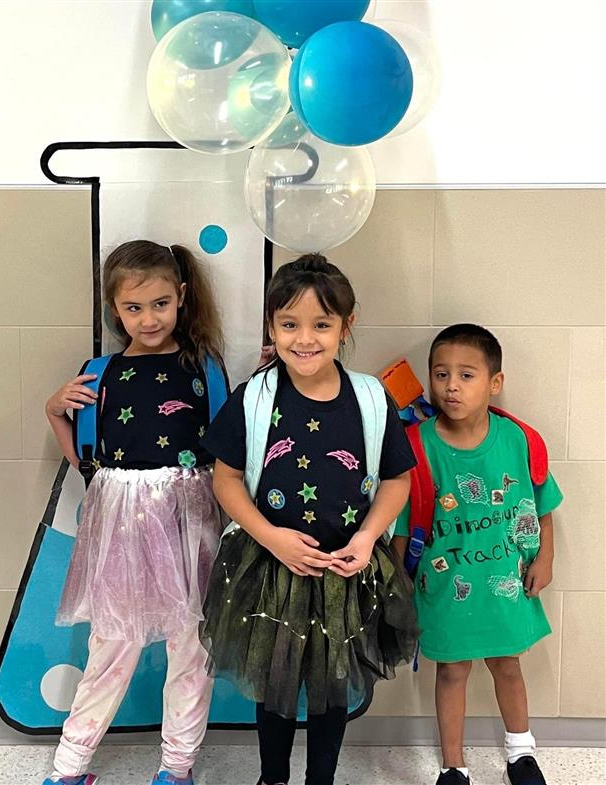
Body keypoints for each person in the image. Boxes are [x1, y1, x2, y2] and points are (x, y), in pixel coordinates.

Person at [200, 254, 418, 785]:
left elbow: (396, 480)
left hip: (346, 567)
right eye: (290, 324)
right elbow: (225, 478)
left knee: (332, 686)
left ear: (347, 326)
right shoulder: (253, 398)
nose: (305, 338)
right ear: (272, 326)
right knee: (274, 684)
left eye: (322, 324)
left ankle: (321, 777)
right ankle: (271, 777)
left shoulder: (370, 397)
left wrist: (368, 538)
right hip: (271, 566)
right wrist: (272, 538)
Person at [42, 240, 228, 785]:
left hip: (188, 519)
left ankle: (177, 766)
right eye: (133, 307)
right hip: (118, 522)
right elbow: (84, 460)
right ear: (114, 308)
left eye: (161, 304)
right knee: (111, 642)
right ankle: (70, 766)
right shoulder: (98, 373)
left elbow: (227, 447)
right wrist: (53, 410)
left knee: (191, 644)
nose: (148, 319)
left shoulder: (204, 368)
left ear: (182, 298)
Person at [392, 324, 562, 785]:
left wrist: (545, 559)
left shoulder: (517, 441)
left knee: (508, 665)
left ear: (495, 383)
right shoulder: (415, 445)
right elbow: (402, 519)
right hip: (445, 587)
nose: (451, 386)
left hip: (508, 582)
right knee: (451, 672)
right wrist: (397, 580)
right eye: (441, 373)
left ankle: (521, 752)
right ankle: (453, 765)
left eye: (467, 375)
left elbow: (543, 507)